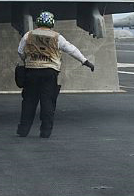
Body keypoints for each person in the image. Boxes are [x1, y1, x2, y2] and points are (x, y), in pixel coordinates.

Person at [16, 11, 95, 139]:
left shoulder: (28, 35)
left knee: (29, 102)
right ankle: (45, 132)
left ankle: (23, 130)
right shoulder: (57, 37)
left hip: (31, 72)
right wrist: (85, 61)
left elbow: (20, 51)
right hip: (49, 73)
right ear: (51, 23)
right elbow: (71, 49)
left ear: (38, 22)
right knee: (48, 102)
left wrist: (27, 60)